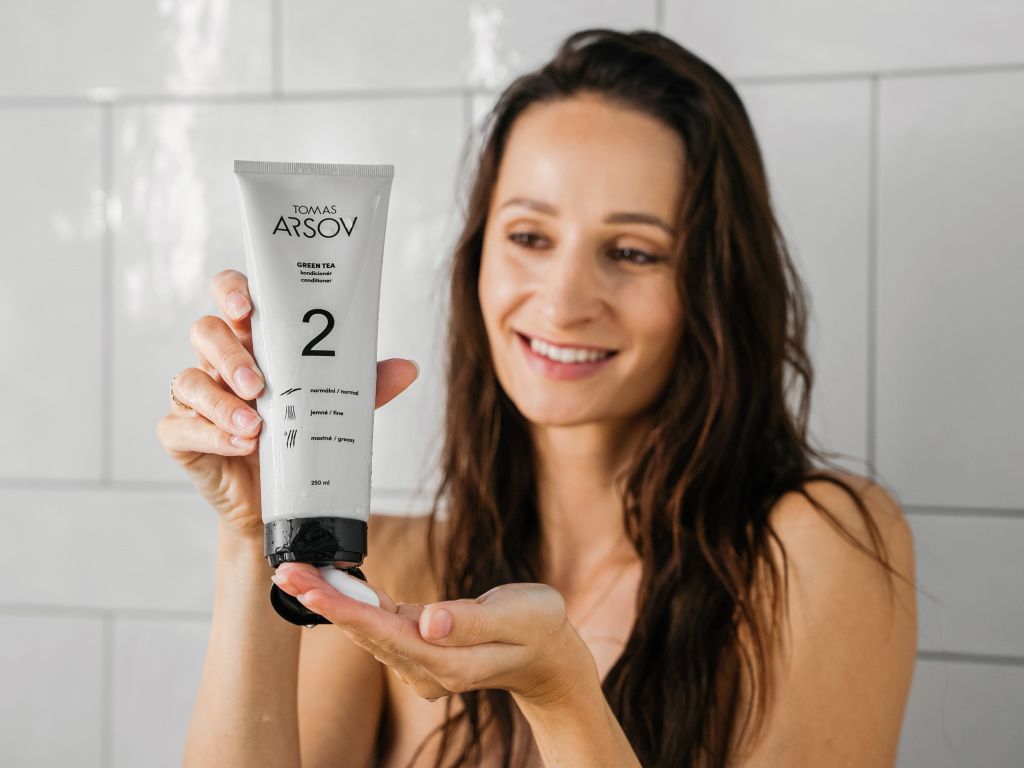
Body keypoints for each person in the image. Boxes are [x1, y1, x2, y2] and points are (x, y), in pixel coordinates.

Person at [158, 28, 917, 768]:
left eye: (631, 252)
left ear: (714, 286)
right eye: (529, 237)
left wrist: (561, 695)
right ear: (478, 260)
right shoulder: (389, 563)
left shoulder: (814, 548)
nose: (562, 302)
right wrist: (255, 531)